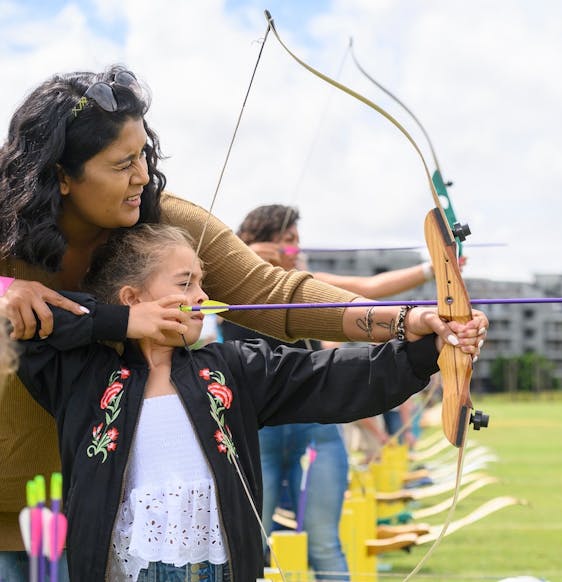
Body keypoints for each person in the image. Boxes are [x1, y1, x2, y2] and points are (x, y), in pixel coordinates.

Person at [0, 64, 488, 572]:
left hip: (93, 515)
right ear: (61, 175)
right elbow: (53, 330)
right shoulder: (5, 209)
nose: (142, 175)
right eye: (122, 163)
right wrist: (9, 291)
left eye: (143, 154)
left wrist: (410, 323)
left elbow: (275, 293)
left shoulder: (166, 226)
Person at [14, 222, 479, 581]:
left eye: (202, 282)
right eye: (185, 283)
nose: (201, 295)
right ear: (132, 297)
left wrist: (427, 346)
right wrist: (121, 321)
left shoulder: (229, 368)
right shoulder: (82, 376)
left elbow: (329, 378)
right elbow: (27, 326)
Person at [220, 204, 439, 581]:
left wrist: (433, 270)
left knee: (325, 543)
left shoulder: (307, 283)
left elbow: (369, 291)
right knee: (249, 544)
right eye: (287, 240)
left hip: (314, 425)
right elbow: (205, 290)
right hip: (255, 431)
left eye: (297, 239)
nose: (295, 247)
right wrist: (247, 258)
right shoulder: (231, 287)